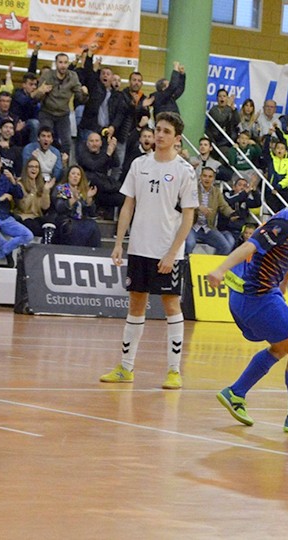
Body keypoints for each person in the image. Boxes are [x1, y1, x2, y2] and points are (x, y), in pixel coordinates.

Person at [209, 177, 288, 433]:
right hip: (256, 297)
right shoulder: (285, 223)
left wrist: (284, 289)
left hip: (261, 296)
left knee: (280, 347)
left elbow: (285, 258)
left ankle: (236, 393)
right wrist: (220, 269)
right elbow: (251, 244)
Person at [99, 112, 199, 390]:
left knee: (170, 305)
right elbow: (128, 205)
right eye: (158, 130)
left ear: (177, 138)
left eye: (167, 131)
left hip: (167, 251)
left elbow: (189, 216)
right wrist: (119, 242)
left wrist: (172, 253)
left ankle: (174, 371)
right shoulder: (139, 164)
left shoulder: (184, 170)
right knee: (136, 304)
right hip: (140, 248)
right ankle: (126, 368)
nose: (160, 135)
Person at [33, 52, 88, 155]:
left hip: (63, 114)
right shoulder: (47, 75)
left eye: (65, 63)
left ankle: (64, 167)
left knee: (67, 142)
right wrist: (41, 91)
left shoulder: (73, 76)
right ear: (56, 63)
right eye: (60, 62)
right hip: (47, 112)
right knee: (45, 139)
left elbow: (80, 99)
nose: (63, 65)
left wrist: (85, 94)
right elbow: (35, 99)